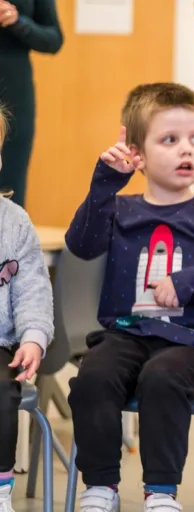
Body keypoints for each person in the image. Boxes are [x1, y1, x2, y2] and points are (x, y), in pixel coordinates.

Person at [65, 83, 194, 512]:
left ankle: (161, 492)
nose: (186, 150)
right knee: (92, 376)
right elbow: (82, 244)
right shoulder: (120, 209)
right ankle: (101, 487)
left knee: (163, 377)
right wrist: (104, 186)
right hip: (127, 334)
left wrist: (188, 282)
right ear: (137, 152)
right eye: (169, 140)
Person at [0, 107, 54, 512]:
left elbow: (34, 291)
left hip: (2, 345)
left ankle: (1, 491)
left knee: (2, 391)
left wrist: (33, 338)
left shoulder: (15, 224)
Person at [0, 0, 63, 206]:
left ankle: (12, 237)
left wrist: (18, 22)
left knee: (10, 180)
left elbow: (54, 39)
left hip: (13, 92)